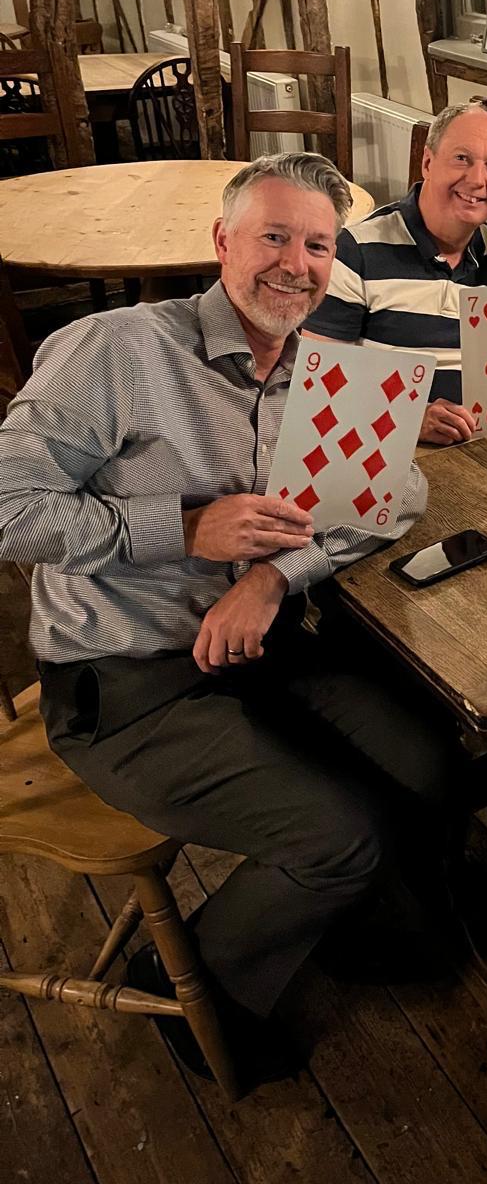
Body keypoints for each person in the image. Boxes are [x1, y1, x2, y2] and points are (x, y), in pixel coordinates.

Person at [0, 154, 454, 1083]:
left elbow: (397, 495)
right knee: (339, 835)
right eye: (274, 237)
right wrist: (181, 530)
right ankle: (198, 985)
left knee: (431, 761)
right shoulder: (118, 350)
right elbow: (6, 506)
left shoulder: (327, 371)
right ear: (221, 244)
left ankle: (349, 919)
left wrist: (278, 576)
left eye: (319, 245)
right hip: (125, 682)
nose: (296, 263)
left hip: (262, 648)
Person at [306, 99, 487, 445]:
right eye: (462, 159)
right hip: (386, 454)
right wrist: (406, 419)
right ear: (428, 162)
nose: (478, 180)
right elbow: (315, 388)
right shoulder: (355, 252)